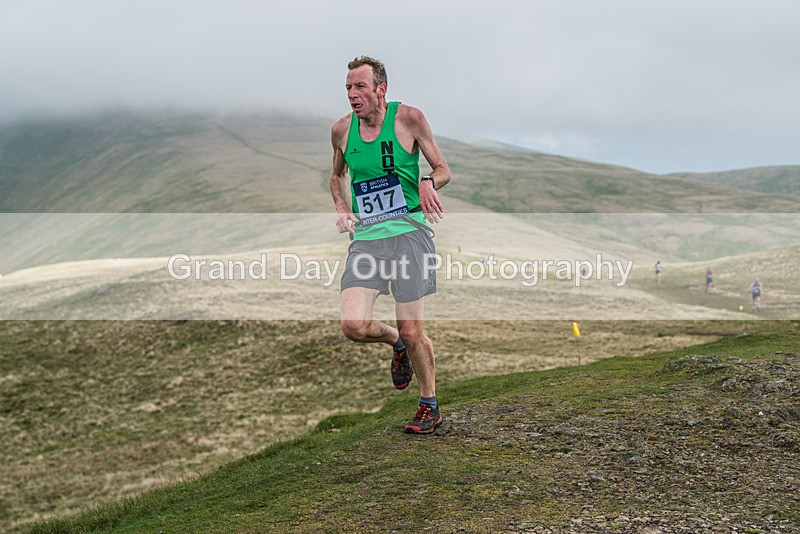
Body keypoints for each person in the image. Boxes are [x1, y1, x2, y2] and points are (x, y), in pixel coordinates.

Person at [329, 56, 451, 434]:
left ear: (381, 90)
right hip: (367, 241)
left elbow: (443, 169)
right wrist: (342, 206)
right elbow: (336, 175)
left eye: (360, 87)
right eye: (348, 87)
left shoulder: (409, 119)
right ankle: (395, 342)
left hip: (410, 237)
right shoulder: (340, 131)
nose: (352, 94)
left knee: (415, 329)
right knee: (353, 325)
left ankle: (429, 404)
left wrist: (429, 181)